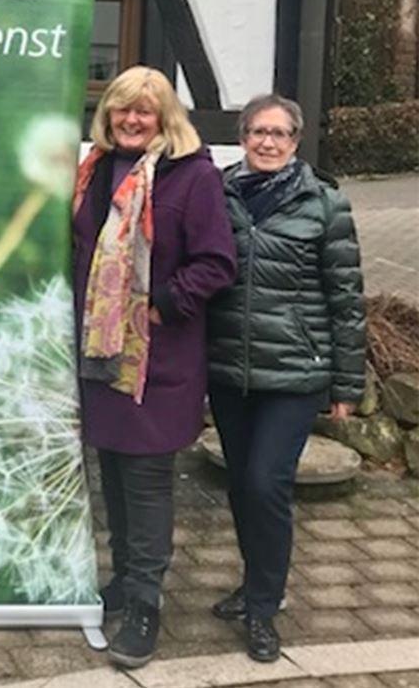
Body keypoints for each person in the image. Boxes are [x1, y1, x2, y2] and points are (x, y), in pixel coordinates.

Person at [72, 65, 236, 669]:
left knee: (145, 480)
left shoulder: (192, 178)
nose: (131, 120)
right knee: (111, 471)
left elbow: (217, 262)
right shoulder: (95, 169)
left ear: (165, 117)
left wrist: (162, 305)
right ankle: (121, 580)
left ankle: (145, 603)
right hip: (99, 349)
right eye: (122, 110)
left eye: (144, 111)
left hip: (153, 359)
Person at [207, 94, 365, 663]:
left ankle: (264, 607)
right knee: (243, 487)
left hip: (295, 374)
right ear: (243, 138)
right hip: (229, 370)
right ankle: (252, 585)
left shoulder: (324, 205)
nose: (268, 143)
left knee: (265, 484)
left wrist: (347, 384)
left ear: (295, 142)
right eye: (258, 133)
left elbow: (346, 301)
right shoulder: (217, 195)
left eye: (279, 134)